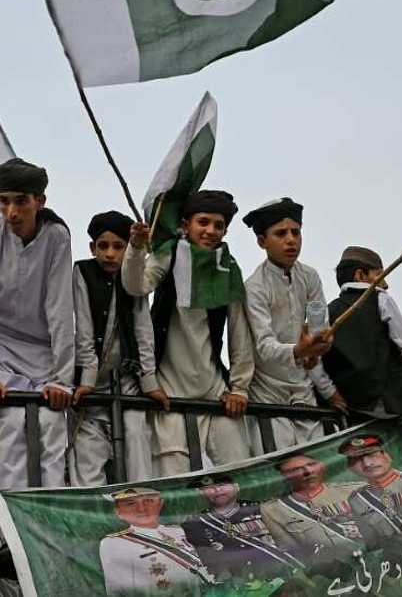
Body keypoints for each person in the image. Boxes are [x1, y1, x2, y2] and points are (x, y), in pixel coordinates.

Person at [0, 158, 74, 551]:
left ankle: (50, 537)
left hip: (43, 349)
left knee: (51, 432)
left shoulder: (57, 235)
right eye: (4, 201)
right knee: (6, 434)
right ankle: (7, 539)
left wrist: (63, 377)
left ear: (39, 200)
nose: (12, 212)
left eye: (20, 201)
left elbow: (60, 307)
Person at [123, 190, 255, 476]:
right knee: (175, 479)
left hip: (214, 391)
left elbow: (239, 334)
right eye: (203, 222)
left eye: (218, 225)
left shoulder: (227, 267)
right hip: (168, 390)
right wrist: (135, 248)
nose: (210, 231)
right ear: (185, 225)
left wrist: (239, 388)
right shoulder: (168, 254)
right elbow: (136, 287)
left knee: (240, 473)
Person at [71, 211, 168, 485]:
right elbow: (85, 329)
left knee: (136, 439)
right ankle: (92, 520)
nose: (110, 254)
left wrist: (150, 383)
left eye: (118, 246)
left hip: (127, 381)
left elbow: (143, 330)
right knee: (88, 454)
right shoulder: (83, 272)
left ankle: (144, 516)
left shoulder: (135, 277)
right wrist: (87, 379)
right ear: (92, 248)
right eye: (103, 246)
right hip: (95, 383)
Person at [241, 198, 343, 451]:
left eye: (296, 232)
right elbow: (264, 346)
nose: (291, 240)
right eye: (281, 233)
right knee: (281, 466)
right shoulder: (254, 287)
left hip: (303, 390)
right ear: (262, 242)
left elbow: (319, 328)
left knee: (317, 464)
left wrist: (319, 348)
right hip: (267, 392)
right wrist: (300, 351)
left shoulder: (310, 277)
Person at [324, 246, 402, 418]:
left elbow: (315, 362)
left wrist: (330, 393)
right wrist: (394, 379)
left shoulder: (327, 312)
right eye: (379, 276)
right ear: (360, 275)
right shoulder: (380, 298)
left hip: (348, 409)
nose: (385, 284)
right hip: (391, 408)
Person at [181, 473, 302, 580]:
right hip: (240, 582)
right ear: (201, 493)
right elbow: (208, 561)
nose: (217, 489)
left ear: (237, 486)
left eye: (222, 484)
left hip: (284, 573)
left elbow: (292, 540)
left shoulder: (262, 508)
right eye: (208, 488)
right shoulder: (195, 523)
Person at [99, 487, 215, 594]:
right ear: (118, 512)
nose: (141, 509)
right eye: (130, 503)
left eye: (148, 501)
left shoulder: (180, 531)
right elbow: (119, 591)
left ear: (160, 504)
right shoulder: (114, 543)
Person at [260, 454, 360, 565]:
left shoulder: (354, 490)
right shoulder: (273, 510)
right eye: (296, 469)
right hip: (332, 572)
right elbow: (293, 554)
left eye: (311, 464)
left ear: (322, 466)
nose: (307, 471)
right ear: (285, 476)